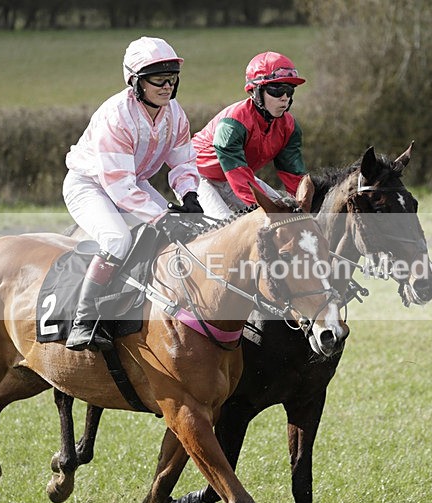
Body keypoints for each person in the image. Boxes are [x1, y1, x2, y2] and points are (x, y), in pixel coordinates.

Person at [62, 36, 203, 352]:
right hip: (90, 186)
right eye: (158, 79)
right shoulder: (117, 115)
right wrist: (161, 216)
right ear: (136, 81)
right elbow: (118, 186)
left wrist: (190, 195)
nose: (167, 86)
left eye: (172, 78)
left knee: (188, 233)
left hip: (132, 184)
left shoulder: (175, 113)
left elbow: (182, 161)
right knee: (117, 240)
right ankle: (83, 322)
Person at [192, 51, 307, 219]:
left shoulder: (289, 126)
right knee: (225, 228)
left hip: (233, 177)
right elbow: (240, 178)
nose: (284, 98)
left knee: (286, 215)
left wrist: (305, 207)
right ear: (256, 91)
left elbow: (295, 177)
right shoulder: (233, 124)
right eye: (277, 89)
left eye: (289, 90)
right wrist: (267, 211)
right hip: (196, 176)